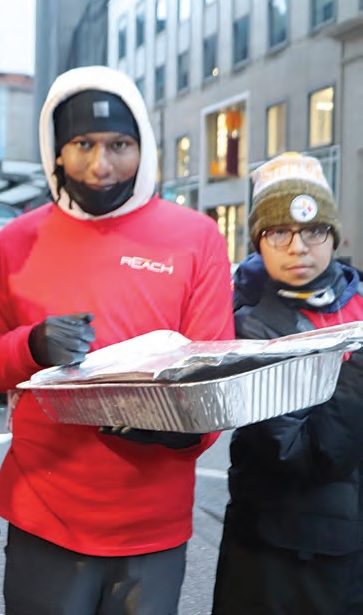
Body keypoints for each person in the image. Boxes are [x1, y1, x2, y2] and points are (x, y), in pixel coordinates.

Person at [0, 65, 235, 615]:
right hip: (45, 511)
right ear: (57, 150)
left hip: (153, 519)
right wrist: (31, 345)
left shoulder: (197, 238)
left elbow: (216, 370)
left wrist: (184, 434)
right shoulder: (16, 241)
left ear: (143, 145)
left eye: (119, 145)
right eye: (83, 144)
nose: (100, 165)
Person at [212, 152, 363, 614]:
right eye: (279, 232)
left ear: (333, 235)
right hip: (283, 558)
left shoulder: (357, 299)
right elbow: (296, 453)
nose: (299, 247)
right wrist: (356, 370)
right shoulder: (248, 326)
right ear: (259, 241)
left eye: (314, 230)